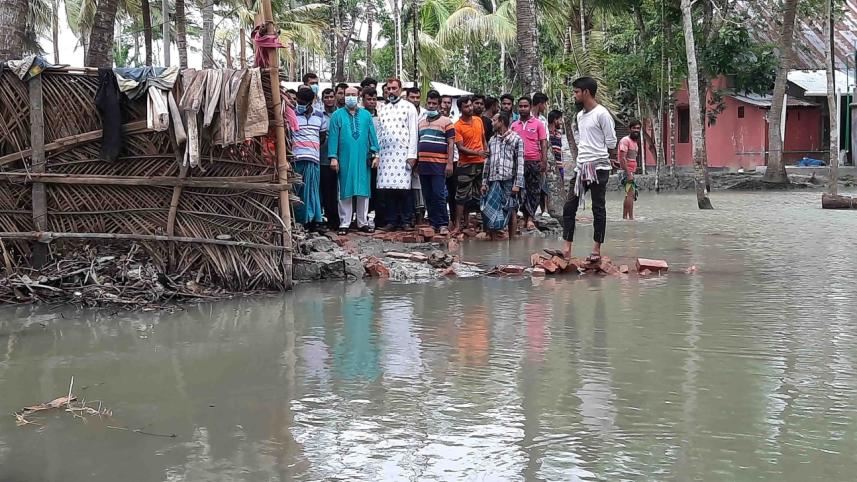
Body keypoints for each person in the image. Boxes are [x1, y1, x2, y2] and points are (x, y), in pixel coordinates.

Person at [562, 76, 617, 261]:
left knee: (598, 207)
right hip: (581, 167)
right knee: (569, 206)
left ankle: (596, 248)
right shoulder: (580, 116)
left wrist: (602, 155)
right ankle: (567, 247)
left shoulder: (602, 114)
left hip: (599, 167)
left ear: (586, 92)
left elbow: (611, 142)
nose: (574, 95)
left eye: (576, 92)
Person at [328, 86, 380, 235]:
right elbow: (333, 138)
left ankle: (362, 222)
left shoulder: (366, 115)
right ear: (344, 96)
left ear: (358, 96)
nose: (350, 97)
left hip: (363, 158)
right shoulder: (337, 115)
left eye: (353, 94)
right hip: (344, 159)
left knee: (363, 190)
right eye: (348, 94)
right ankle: (344, 223)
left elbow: (372, 135)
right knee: (345, 190)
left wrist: (375, 153)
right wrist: (333, 157)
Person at [377, 77, 419, 231]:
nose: (391, 91)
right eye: (389, 89)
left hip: (403, 154)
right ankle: (391, 221)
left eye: (394, 88)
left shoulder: (409, 107)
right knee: (388, 189)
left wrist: (412, 155)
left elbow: (414, 132)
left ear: (400, 90)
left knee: (404, 189)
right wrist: (377, 154)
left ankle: (406, 221)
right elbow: (379, 133)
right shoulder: (383, 109)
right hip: (386, 155)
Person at [416, 90, 455, 234]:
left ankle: (443, 223)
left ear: (439, 105)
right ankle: (433, 223)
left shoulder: (447, 122)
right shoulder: (421, 123)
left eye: (434, 103)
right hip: (424, 165)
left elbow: (451, 144)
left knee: (439, 194)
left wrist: (449, 163)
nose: (431, 106)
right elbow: (418, 142)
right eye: (429, 103)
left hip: (439, 165)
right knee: (428, 195)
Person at [481, 111, 524, 239]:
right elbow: (487, 163)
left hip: (509, 179)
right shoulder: (492, 140)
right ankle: (493, 239)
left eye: (494, 120)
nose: (492, 123)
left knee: (511, 208)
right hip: (494, 179)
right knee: (492, 208)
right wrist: (484, 182)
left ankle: (512, 240)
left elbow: (520, 163)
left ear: (502, 122)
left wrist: (518, 184)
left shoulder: (516, 139)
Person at [510, 96, 549, 231]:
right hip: (518, 162)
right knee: (520, 190)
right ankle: (524, 216)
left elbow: (543, 143)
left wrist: (544, 160)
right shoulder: (514, 125)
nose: (523, 109)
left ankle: (530, 218)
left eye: (525, 106)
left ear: (530, 107)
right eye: (520, 106)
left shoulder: (538, 124)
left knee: (534, 190)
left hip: (534, 161)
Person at [292, 87, 328, 232]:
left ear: (310, 102)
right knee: (298, 189)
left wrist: (312, 146)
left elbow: (322, 136)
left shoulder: (319, 115)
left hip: (313, 157)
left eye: (303, 103)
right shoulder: (292, 114)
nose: (300, 105)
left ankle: (314, 219)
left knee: (313, 189)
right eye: (298, 102)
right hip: (296, 157)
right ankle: (300, 219)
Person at [453, 96, 489, 233]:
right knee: (461, 195)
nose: (470, 108)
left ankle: (484, 224)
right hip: (466, 164)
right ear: (460, 109)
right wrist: (477, 153)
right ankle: (458, 224)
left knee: (481, 193)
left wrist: (486, 152)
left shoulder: (478, 120)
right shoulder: (457, 126)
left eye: (470, 105)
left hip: (481, 163)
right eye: (466, 106)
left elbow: (483, 139)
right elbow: (460, 147)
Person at [361, 87, 385, 228]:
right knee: (365, 188)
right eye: (369, 99)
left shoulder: (381, 116)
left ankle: (379, 219)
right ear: (363, 100)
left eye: (374, 99)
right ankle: (362, 218)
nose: (371, 102)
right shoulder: (359, 116)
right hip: (363, 157)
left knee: (378, 189)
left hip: (379, 157)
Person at [319, 88, 340, 230]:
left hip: (341, 157)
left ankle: (342, 218)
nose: (329, 99)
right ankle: (330, 219)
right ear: (322, 99)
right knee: (327, 190)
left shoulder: (341, 114)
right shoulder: (318, 115)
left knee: (340, 191)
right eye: (326, 97)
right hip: (324, 158)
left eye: (332, 97)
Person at [440, 94, 460, 229]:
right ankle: (441, 220)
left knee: (453, 192)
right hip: (438, 160)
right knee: (439, 192)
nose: (446, 105)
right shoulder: (434, 119)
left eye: (448, 103)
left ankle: (454, 219)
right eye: (444, 102)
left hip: (454, 160)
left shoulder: (455, 121)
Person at [619, 119, 641, 220]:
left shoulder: (634, 142)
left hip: (631, 171)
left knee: (628, 195)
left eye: (638, 128)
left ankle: (625, 217)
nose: (636, 130)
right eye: (634, 128)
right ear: (629, 129)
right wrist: (628, 173)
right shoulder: (625, 141)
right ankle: (631, 218)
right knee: (631, 195)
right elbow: (622, 158)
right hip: (627, 172)